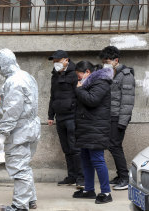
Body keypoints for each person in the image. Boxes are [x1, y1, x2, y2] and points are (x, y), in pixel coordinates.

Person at [0, 48, 41, 211]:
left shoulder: (14, 81)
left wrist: (2, 134)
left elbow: (12, 110)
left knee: (19, 168)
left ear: (3, 64)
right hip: (30, 128)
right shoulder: (27, 76)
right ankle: (30, 200)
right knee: (24, 166)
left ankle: (20, 205)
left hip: (19, 131)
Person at [73, 61, 113, 204]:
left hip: (96, 128)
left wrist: (79, 90)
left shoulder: (101, 82)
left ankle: (106, 192)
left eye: (79, 76)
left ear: (87, 72)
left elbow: (92, 100)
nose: (78, 79)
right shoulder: (88, 83)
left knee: (97, 159)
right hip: (87, 128)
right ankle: (89, 189)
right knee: (85, 159)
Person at [100, 46, 135, 190]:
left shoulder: (126, 75)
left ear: (116, 60)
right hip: (108, 116)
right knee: (112, 146)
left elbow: (128, 101)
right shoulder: (108, 73)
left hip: (118, 117)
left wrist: (122, 122)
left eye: (108, 61)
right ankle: (120, 176)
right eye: (104, 61)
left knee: (115, 146)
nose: (105, 64)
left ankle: (125, 178)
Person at [47, 50, 84, 188]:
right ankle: (72, 176)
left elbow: (80, 94)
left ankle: (81, 177)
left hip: (72, 116)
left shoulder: (75, 73)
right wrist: (51, 115)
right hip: (60, 117)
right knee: (66, 149)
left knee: (75, 148)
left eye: (58, 60)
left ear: (66, 60)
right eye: (54, 61)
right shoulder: (54, 75)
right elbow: (53, 96)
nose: (55, 63)